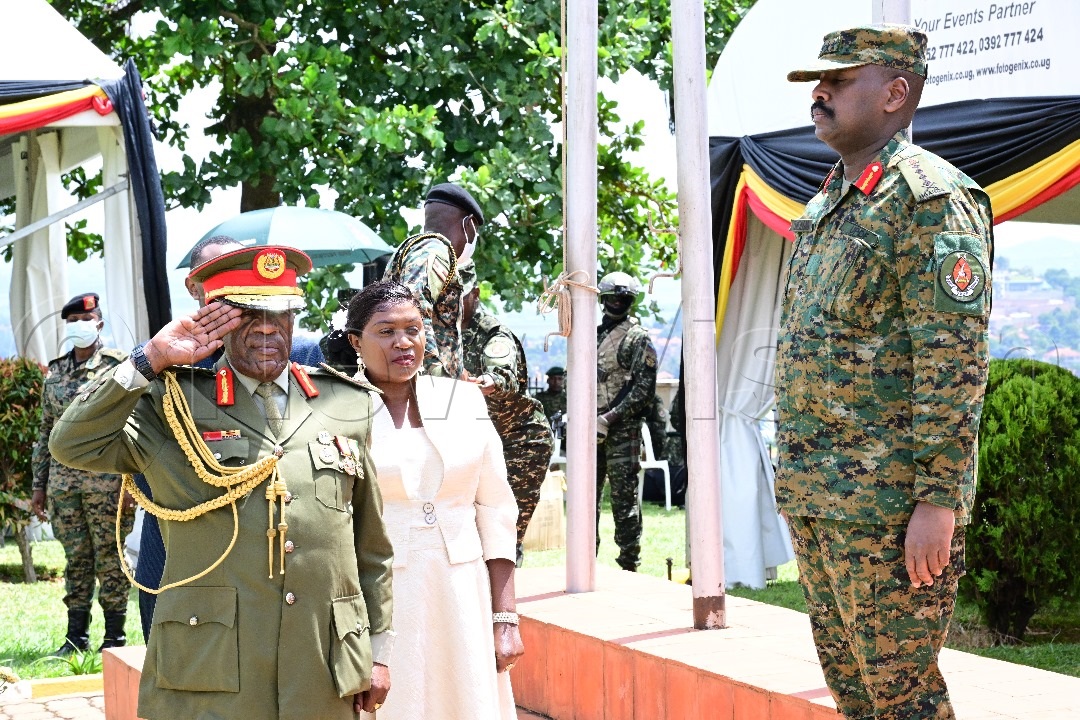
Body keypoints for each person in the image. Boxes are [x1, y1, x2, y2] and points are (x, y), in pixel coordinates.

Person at [50, 246, 394, 719]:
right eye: (248, 313)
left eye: (281, 312)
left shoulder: (346, 403)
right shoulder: (171, 404)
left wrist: (377, 651)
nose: (269, 327)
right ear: (215, 319)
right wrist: (149, 358)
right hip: (211, 669)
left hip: (321, 668)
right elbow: (71, 444)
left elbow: (369, 546)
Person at [776, 25, 993, 720]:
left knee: (905, 701)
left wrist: (938, 501)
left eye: (839, 80)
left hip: (888, 510)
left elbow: (952, 360)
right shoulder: (830, 204)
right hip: (822, 499)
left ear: (897, 91)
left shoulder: (929, 200)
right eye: (819, 81)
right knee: (858, 700)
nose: (820, 92)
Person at [133, 234, 327, 641]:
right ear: (196, 288)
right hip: (176, 521)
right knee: (165, 629)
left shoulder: (304, 353)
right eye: (222, 276)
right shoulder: (168, 355)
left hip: (269, 534)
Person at [345, 280, 523, 719]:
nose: (403, 342)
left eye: (414, 328)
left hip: (463, 593)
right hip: (383, 597)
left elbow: (497, 509)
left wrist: (505, 619)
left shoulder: (462, 400)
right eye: (386, 331)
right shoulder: (336, 408)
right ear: (356, 341)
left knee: (468, 702)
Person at [30, 293, 133, 654]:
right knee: (76, 559)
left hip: (108, 485)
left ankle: (114, 638)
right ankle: (76, 638)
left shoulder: (119, 367)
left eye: (84, 319)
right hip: (64, 486)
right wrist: (38, 486)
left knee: (111, 557)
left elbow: (133, 425)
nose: (78, 326)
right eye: (72, 321)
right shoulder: (56, 372)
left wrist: (133, 482)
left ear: (99, 323)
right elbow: (45, 432)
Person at [459, 261, 554, 566]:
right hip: (474, 443)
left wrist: (490, 381)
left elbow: (503, 374)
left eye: (454, 296)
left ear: (473, 294)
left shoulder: (493, 335)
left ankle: (504, 609)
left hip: (518, 442)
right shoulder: (437, 334)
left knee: (505, 532)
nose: (445, 304)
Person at [382, 182, 485, 378]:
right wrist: (437, 375)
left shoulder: (420, 249)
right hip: (424, 385)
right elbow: (411, 311)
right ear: (468, 224)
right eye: (476, 231)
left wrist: (457, 372)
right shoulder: (434, 252)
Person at [594, 271, 658, 572]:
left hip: (622, 430)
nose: (617, 302)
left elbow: (643, 389)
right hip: (589, 429)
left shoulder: (637, 338)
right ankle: (585, 563)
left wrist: (608, 417)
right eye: (612, 297)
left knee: (623, 501)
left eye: (623, 298)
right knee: (585, 500)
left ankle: (629, 566)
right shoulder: (592, 335)